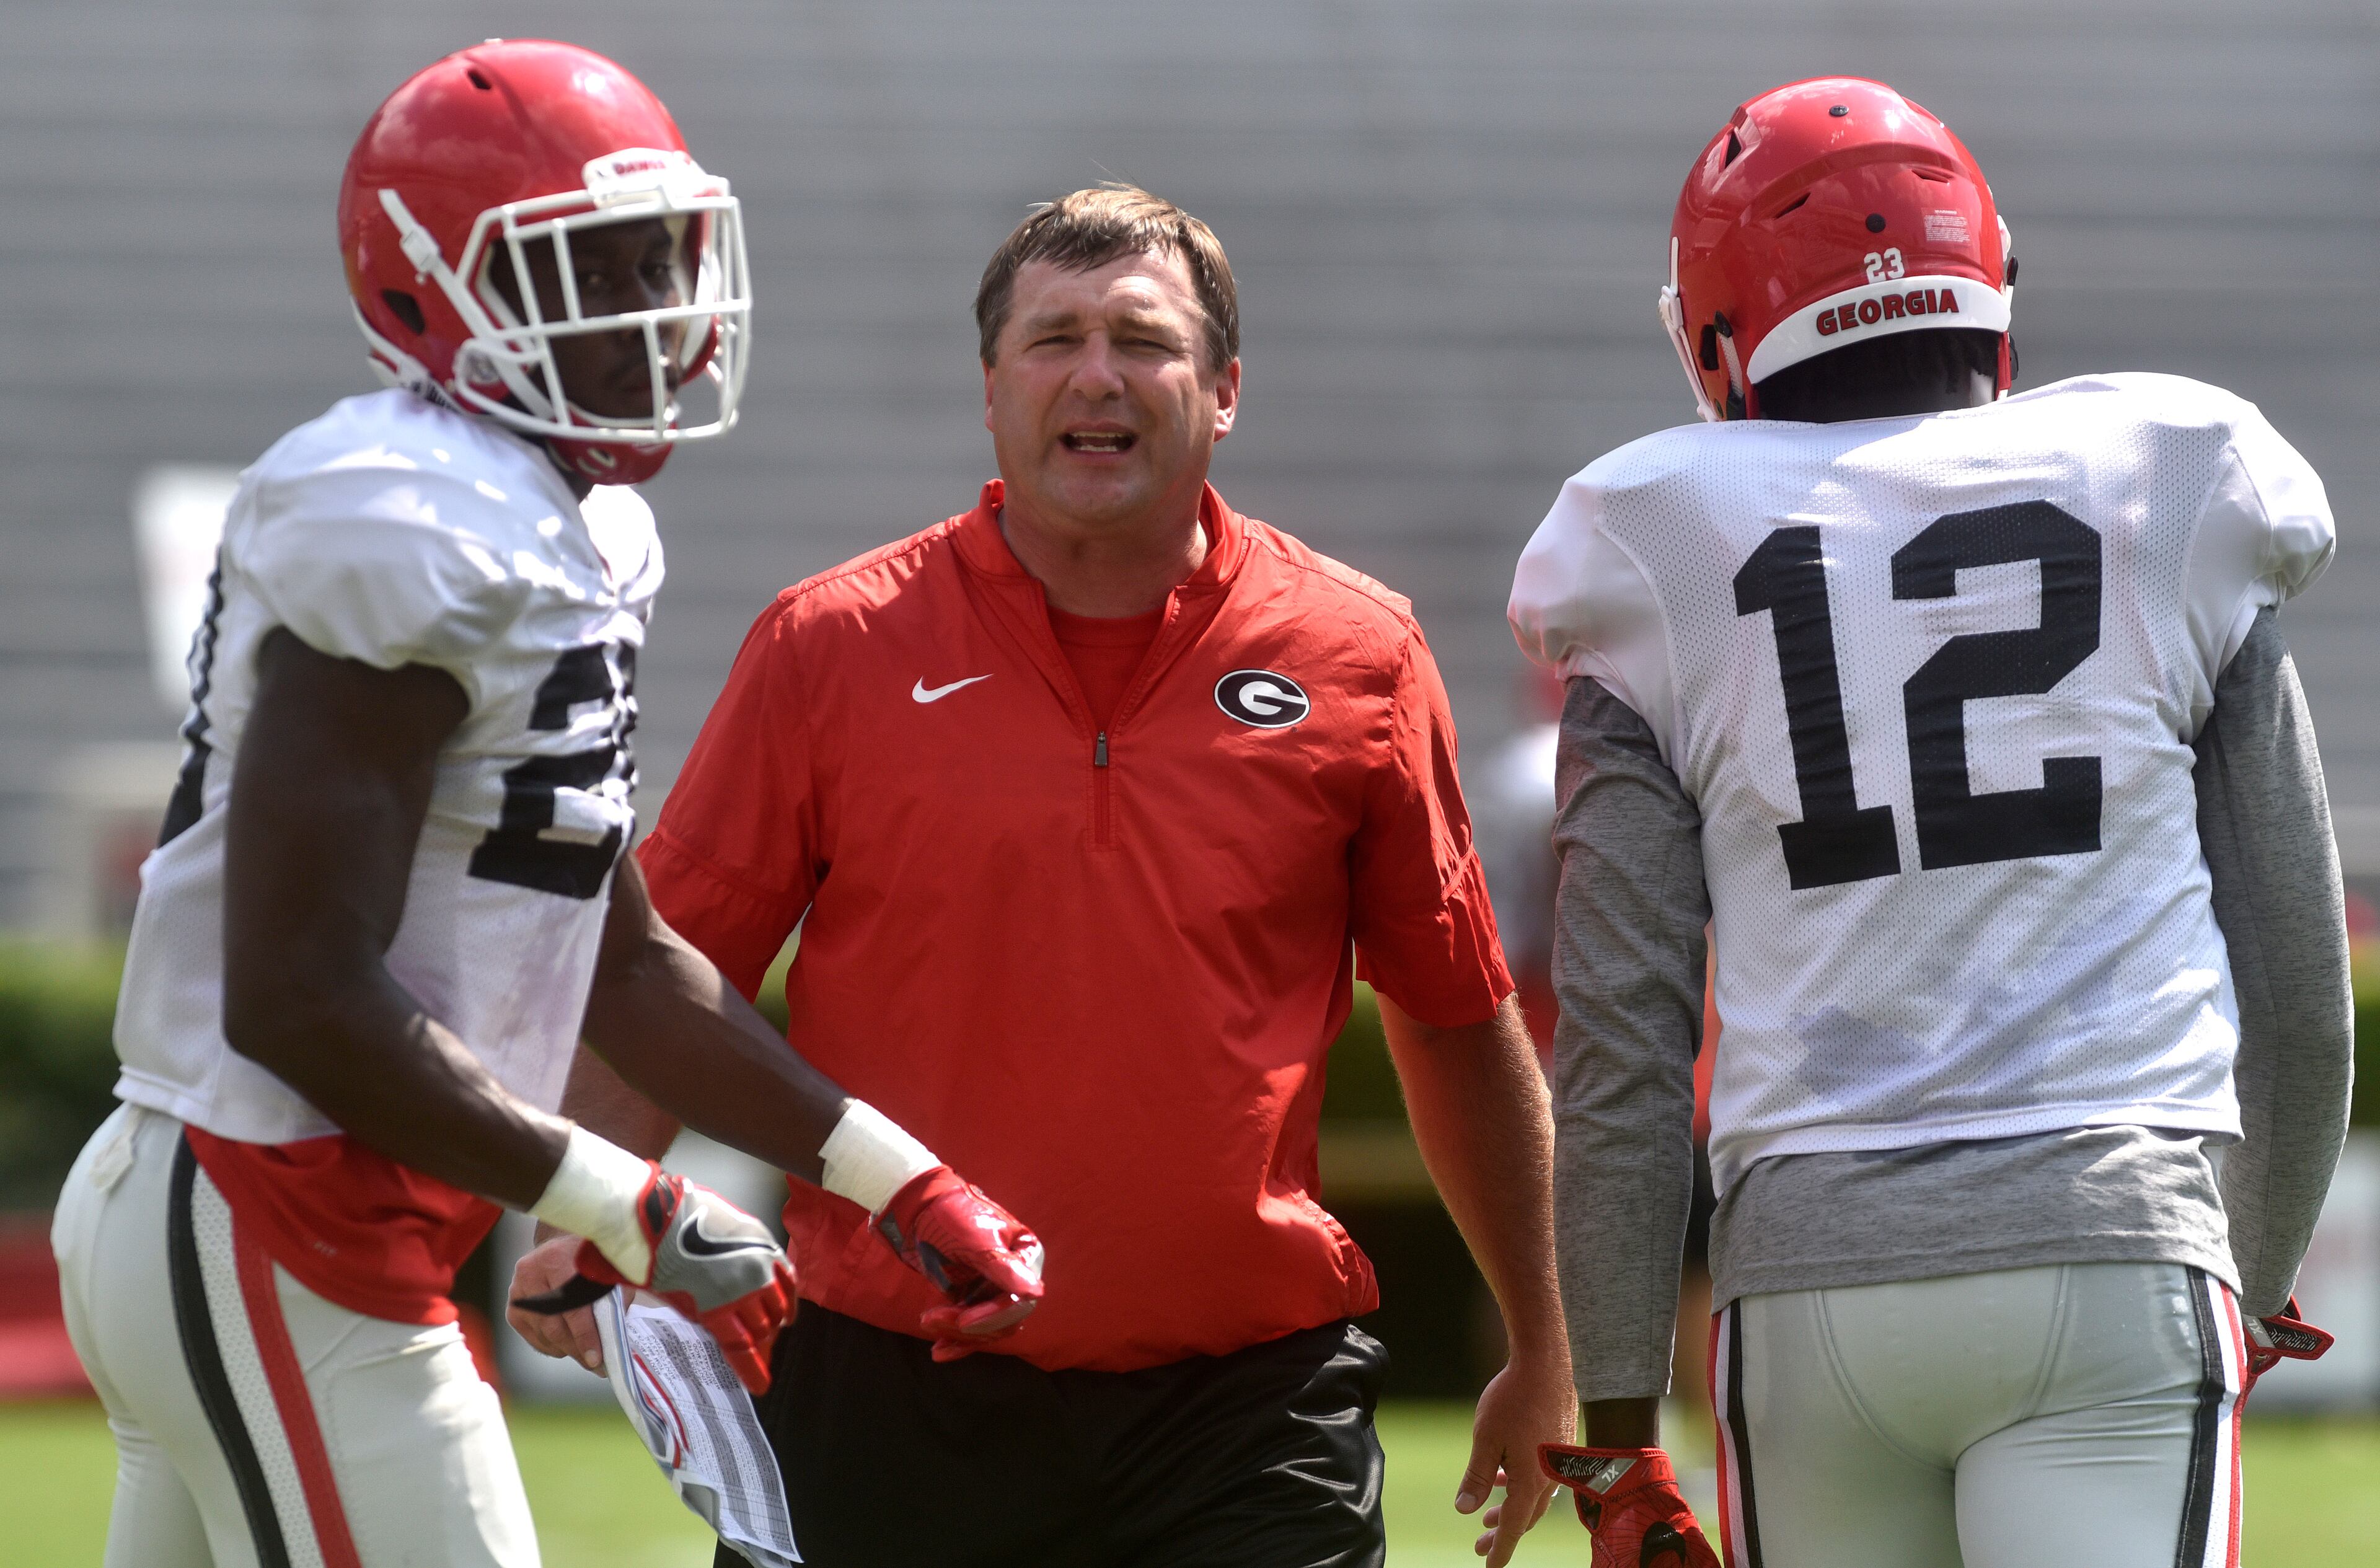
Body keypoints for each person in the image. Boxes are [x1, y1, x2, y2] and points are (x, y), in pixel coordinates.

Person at [48, 40, 1041, 1568]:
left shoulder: (578, 532)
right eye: (593, 265)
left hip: (273, 1211)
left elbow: (626, 963)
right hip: (268, 1200)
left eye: (663, 257)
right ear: (424, 295)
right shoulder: (409, 518)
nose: (654, 308)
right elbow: (297, 992)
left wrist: (894, 1170)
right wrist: (629, 1199)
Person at [509, 183, 1577, 1568]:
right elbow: (671, 969)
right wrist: (578, 1211)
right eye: (1055, 338)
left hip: (1246, 1410)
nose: (1098, 376)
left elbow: (1456, 1014)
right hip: (888, 1393)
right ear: (992, 388)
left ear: (1225, 389)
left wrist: (1547, 1339)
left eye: (1144, 340)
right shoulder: (826, 646)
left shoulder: (1360, 652)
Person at [1509, 77, 2348, 1568]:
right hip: (2109, 1239)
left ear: (1718, 332)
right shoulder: (2172, 474)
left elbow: (1622, 1039)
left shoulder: (1657, 537)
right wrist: (2259, 1268)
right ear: (1992, 280)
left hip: (1810, 1287)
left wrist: (1623, 1428)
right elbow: (2292, 966)